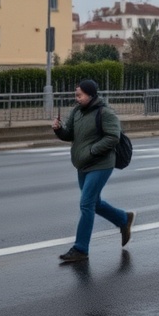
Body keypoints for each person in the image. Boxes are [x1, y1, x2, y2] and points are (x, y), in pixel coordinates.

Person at [52, 79, 135, 263]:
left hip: (101, 164)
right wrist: (59, 130)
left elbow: (113, 137)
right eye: (76, 94)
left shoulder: (105, 113)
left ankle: (81, 248)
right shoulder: (77, 112)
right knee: (94, 203)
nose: (77, 98)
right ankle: (123, 219)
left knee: (86, 203)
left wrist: (92, 151)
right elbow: (70, 135)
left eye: (80, 95)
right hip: (83, 164)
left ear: (90, 95)